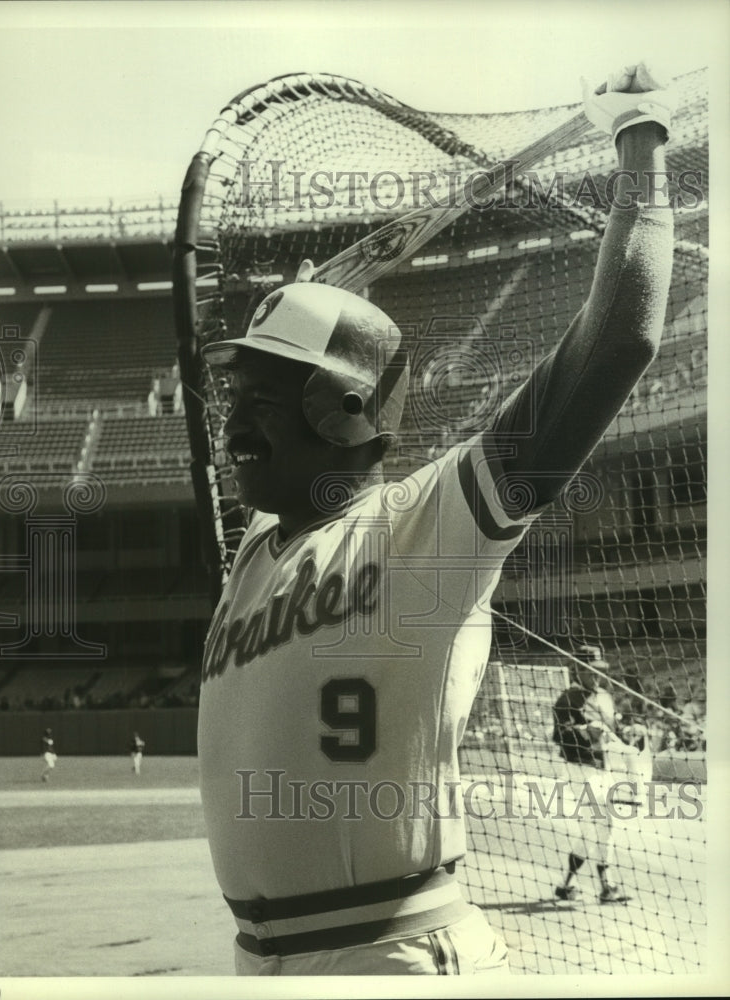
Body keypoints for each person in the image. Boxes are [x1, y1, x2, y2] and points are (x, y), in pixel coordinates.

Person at [196, 63, 676, 975]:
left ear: (341, 410)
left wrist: (640, 138)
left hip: (390, 955)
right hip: (262, 963)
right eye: (234, 394)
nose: (232, 422)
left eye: (261, 398)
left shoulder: (427, 526)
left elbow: (619, 336)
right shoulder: (256, 553)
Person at [551, 643, 651, 903]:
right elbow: (558, 735)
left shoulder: (604, 697)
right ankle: (607, 886)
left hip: (602, 767)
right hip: (578, 768)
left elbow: (614, 730)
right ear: (578, 670)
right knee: (605, 822)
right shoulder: (567, 700)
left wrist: (629, 733)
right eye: (590, 669)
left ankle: (567, 885)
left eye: (599, 669)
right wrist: (585, 730)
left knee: (590, 830)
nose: (596, 674)